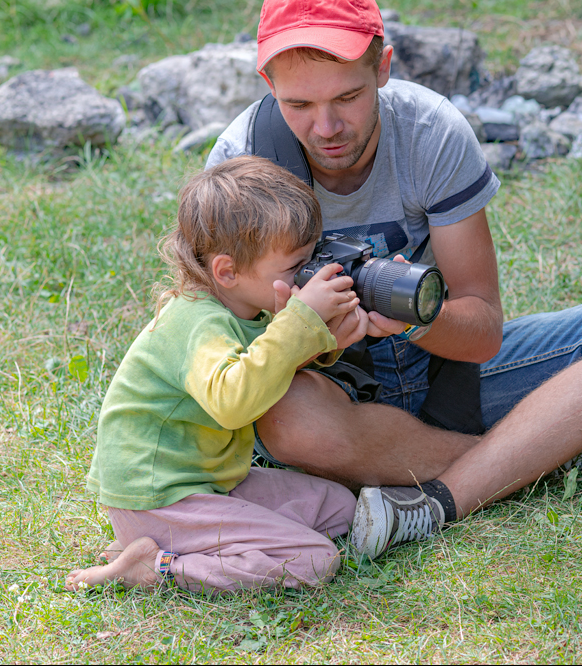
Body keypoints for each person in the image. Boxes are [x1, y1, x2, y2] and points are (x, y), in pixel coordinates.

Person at [204, 0, 582, 559]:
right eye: (299, 104)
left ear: (383, 67)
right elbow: (233, 359)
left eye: (348, 97)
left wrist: (416, 319)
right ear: (267, 83)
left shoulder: (429, 131)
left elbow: (483, 328)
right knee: (289, 420)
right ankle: (553, 449)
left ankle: (433, 501)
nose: (326, 128)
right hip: (329, 395)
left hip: (445, 369)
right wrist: (309, 335)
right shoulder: (242, 161)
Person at [65, 156, 370, 594]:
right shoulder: (196, 322)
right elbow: (234, 402)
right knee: (314, 559)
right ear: (227, 272)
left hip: (212, 484)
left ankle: (163, 544)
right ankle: (157, 566)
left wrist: (329, 338)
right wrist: (301, 321)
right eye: (295, 268)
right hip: (161, 497)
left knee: (338, 508)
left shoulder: (245, 307)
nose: (305, 277)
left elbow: (270, 360)